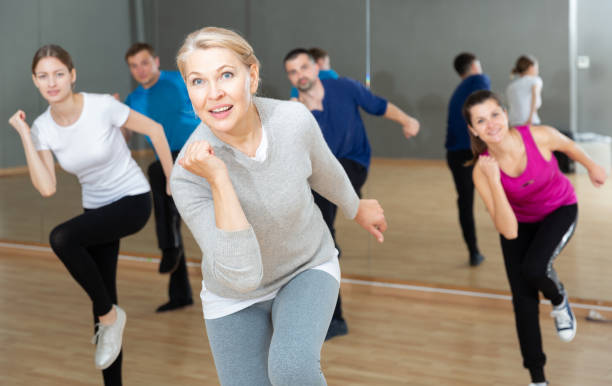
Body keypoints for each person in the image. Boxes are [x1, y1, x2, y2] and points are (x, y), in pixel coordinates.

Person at [170, 27, 387, 385]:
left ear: (251, 75)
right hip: (235, 295)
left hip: (306, 265)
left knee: (291, 370)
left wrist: (355, 207)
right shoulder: (188, 175)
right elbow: (241, 272)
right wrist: (220, 180)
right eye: (198, 81)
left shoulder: (293, 120)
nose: (214, 93)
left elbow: (325, 169)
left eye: (226, 74)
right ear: (189, 91)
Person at [7, 45, 174, 385]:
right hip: (96, 209)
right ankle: (111, 340)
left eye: (58, 74)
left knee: (62, 238)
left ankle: (111, 317)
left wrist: (172, 181)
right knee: (102, 302)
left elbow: (155, 129)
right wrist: (25, 135)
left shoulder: (102, 106)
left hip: (132, 199)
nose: (51, 82)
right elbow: (46, 187)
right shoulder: (42, 128)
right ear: (35, 81)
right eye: (43, 76)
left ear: (72, 75)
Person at [464, 90, 607, 386]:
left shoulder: (538, 136)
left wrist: (592, 166)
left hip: (560, 209)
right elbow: (509, 231)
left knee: (535, 268)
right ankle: (538, 379)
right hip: (518, 223)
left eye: (494, 114)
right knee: (523, 300)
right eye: (481, 120)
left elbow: (568, 146)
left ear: (505, 113)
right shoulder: (482, 171)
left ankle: (558, 298)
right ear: (473, 130)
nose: (491, 124)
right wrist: (493, 180)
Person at [283, 47, 419, 340]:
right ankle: (332, 312)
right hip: (318, 178)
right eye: (293, 72)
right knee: (317, 233)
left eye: (304, 67)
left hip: (351, 166)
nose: (300, 75)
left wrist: (407, 120)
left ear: (316, 67)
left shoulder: (344, 87)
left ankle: (328, 264)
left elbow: (379, 105)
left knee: (324, 217)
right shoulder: (293, 112)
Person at [124, 42, 199, 312]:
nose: (140, 70)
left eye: (144, 63)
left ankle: (169, 248)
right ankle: (180, 293)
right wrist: (113, 115)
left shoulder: (179, 80)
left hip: (196, 150)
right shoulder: (133, 100)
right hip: (169, 162)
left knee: (157, 174)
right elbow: (124, 138)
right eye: (134, 66)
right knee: (168, 209)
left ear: (156, 61)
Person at [445, 52, 490, 267]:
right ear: (473, 66)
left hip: (455, 155)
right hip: (475, 153)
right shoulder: (479, 80)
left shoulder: (457, 92)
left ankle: (474, 251)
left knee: (465, 202)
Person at [506, 55, 543, 127]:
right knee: (528, 139)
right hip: (529, 121)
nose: (538, 71)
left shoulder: (511, 87)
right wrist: (530, 118)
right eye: (537, 68)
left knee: (519, 139)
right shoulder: (535, 80)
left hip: (513, 122)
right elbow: (535, 98)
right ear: (531, 67)